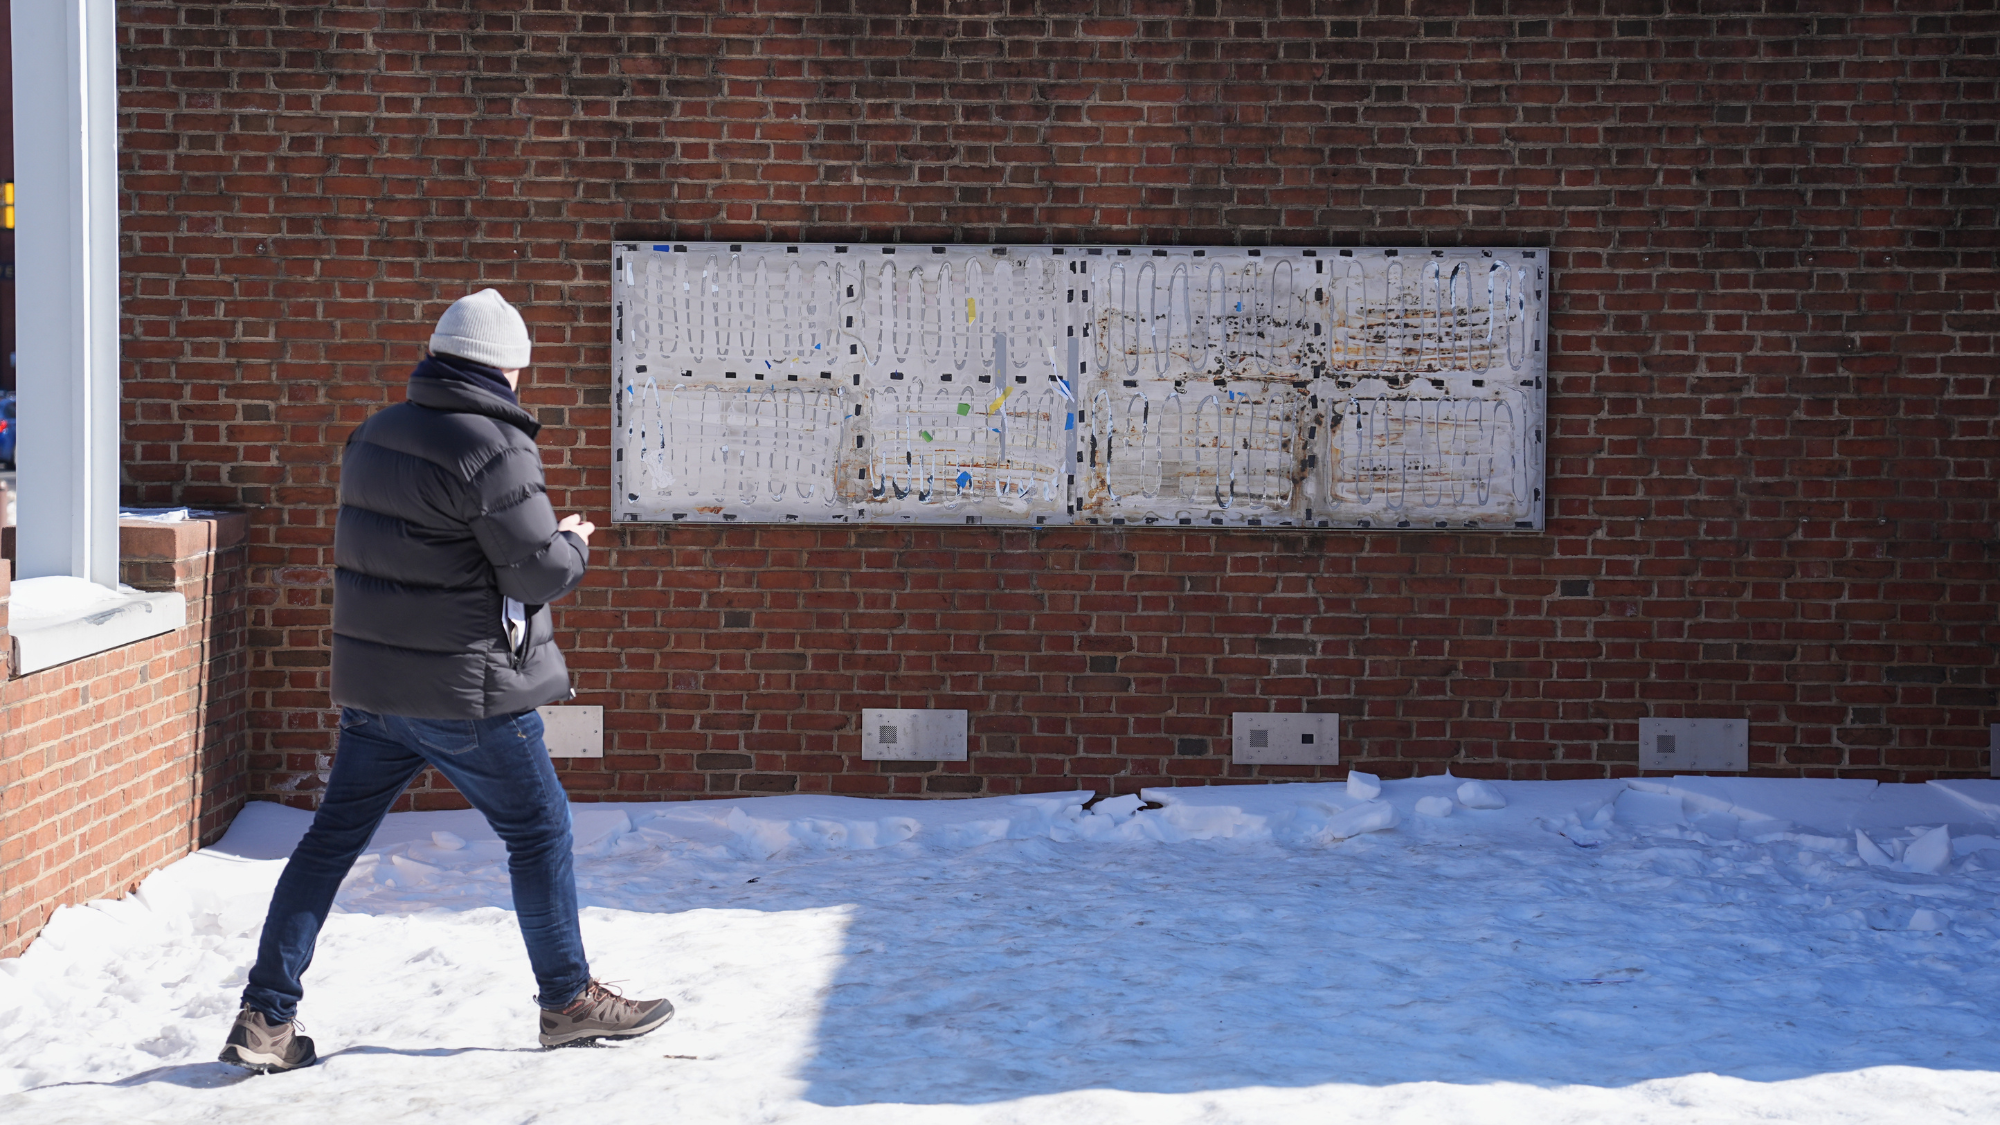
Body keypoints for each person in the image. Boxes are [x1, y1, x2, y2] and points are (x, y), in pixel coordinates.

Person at [219, 289, 672, 1073]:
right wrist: (574, 542)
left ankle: (264, 1017)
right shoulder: (495, 446)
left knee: (328, 844)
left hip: (374, 691)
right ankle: (567, 1001)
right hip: (466, 691)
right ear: (506, 368)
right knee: (539, 830)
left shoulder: (374, 433)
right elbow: (534, 571)